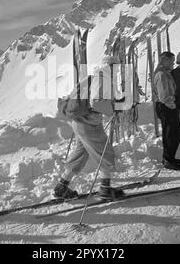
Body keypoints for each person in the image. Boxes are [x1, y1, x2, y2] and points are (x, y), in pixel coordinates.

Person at [53, 55, 126, 200]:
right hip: (89, 124)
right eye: (117, 66)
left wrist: (115, 102)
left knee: (80, 154)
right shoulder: (103, 79)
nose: (118, 70)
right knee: (106, 153)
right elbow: (97, 102)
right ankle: (105, 189)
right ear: (112, 66)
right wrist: (115, 107)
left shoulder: (95, 77)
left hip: (79, 122)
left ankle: (62, 186)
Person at [153, 51, 180, 171]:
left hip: (169, 105)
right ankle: (168, 159)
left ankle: (170, 157)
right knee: (171, 133)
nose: (172, 63)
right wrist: (172, 105)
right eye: (171, 61)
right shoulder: (161, 74)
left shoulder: (166, 73)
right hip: (166, 106)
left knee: (174, 132)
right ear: (164, 61)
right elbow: (164, 95)